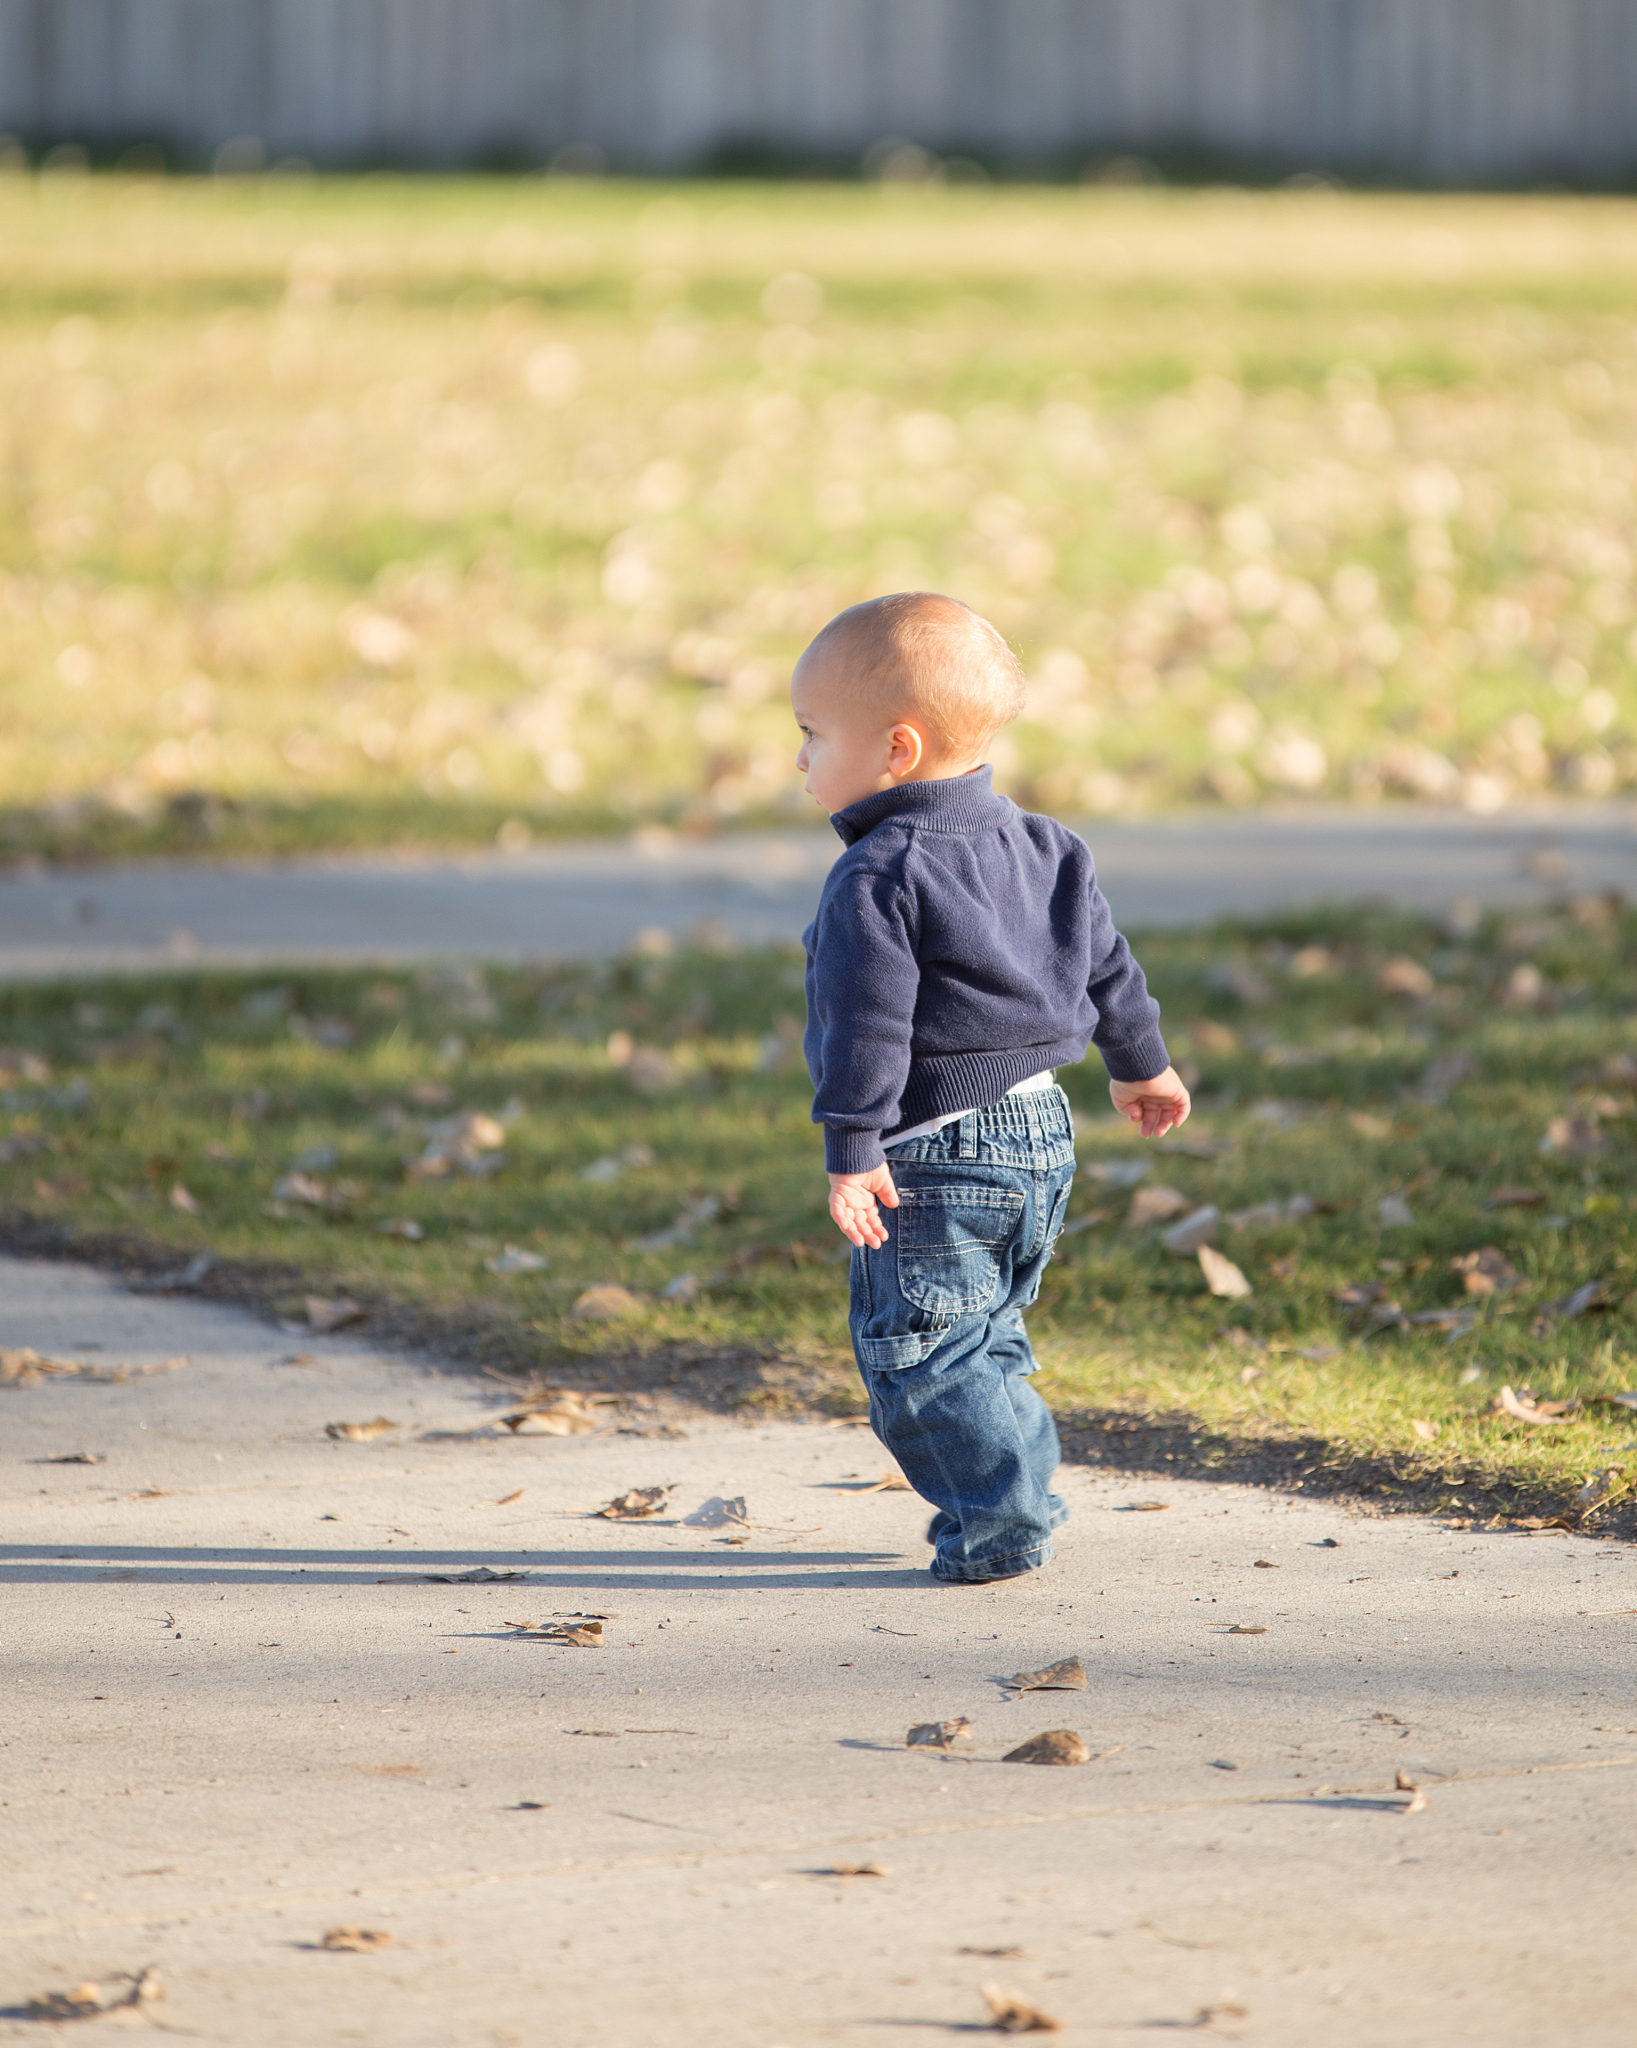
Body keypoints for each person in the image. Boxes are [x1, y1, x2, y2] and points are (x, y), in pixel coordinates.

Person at [795, 592, 1191, 1584]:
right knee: (982, 1335)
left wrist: (852, 1147)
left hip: (932, 1146)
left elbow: (869, 1026)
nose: (798, 758)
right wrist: (1139, 1063)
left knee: (918, 1358)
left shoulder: (876, 874)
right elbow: (1108, 967)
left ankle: (1004, 1510)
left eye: (810, 735)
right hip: (1041, 1130)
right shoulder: (1048, 844)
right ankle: (997, 1496)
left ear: (895, 747)